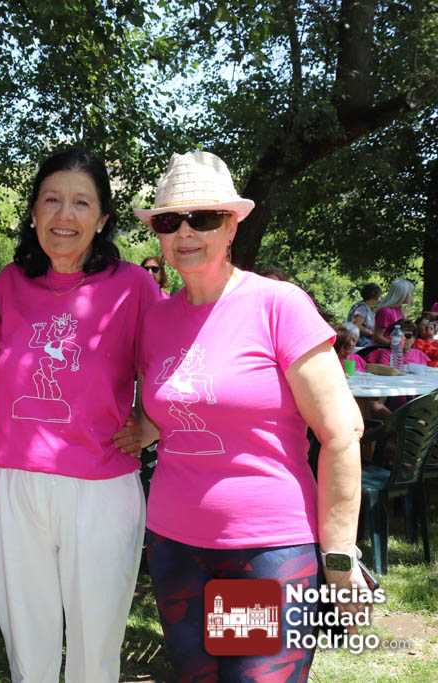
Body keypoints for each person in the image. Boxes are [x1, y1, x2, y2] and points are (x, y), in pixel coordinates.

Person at [125, 150, 365, 681]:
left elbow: (341, 433)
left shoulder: (277, 305)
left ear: (232, 224)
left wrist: (339, 557)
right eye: (169, 221)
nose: (185, 232)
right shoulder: (157, 319)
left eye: (203, 218)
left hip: (261, 551)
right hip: (175, 545)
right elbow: (174, 408)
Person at [0, 148, 160, 682]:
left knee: (94, 644)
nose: (65, 215)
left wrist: (152, 422)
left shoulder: (133, 286)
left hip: (100, 485)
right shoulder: (8, 283)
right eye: (51, 200)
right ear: (34, 213)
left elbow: (172, 356)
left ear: (102, 219)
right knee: (27, 643)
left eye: (81, 203)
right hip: (13, 482)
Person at [366, 319, 430, 366]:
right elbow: (387, 373)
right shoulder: (385, 354)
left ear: (414, 339)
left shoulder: (420, 355)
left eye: (408, 336)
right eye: (399, 336)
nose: (403, 339)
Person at [372, 278, 415, 345]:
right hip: (384, 348)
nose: (411, 296)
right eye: (410, 293)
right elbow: (377, 337)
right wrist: (396, 345)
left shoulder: (400, 311)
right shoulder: (385, 312)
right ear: (402, 295)